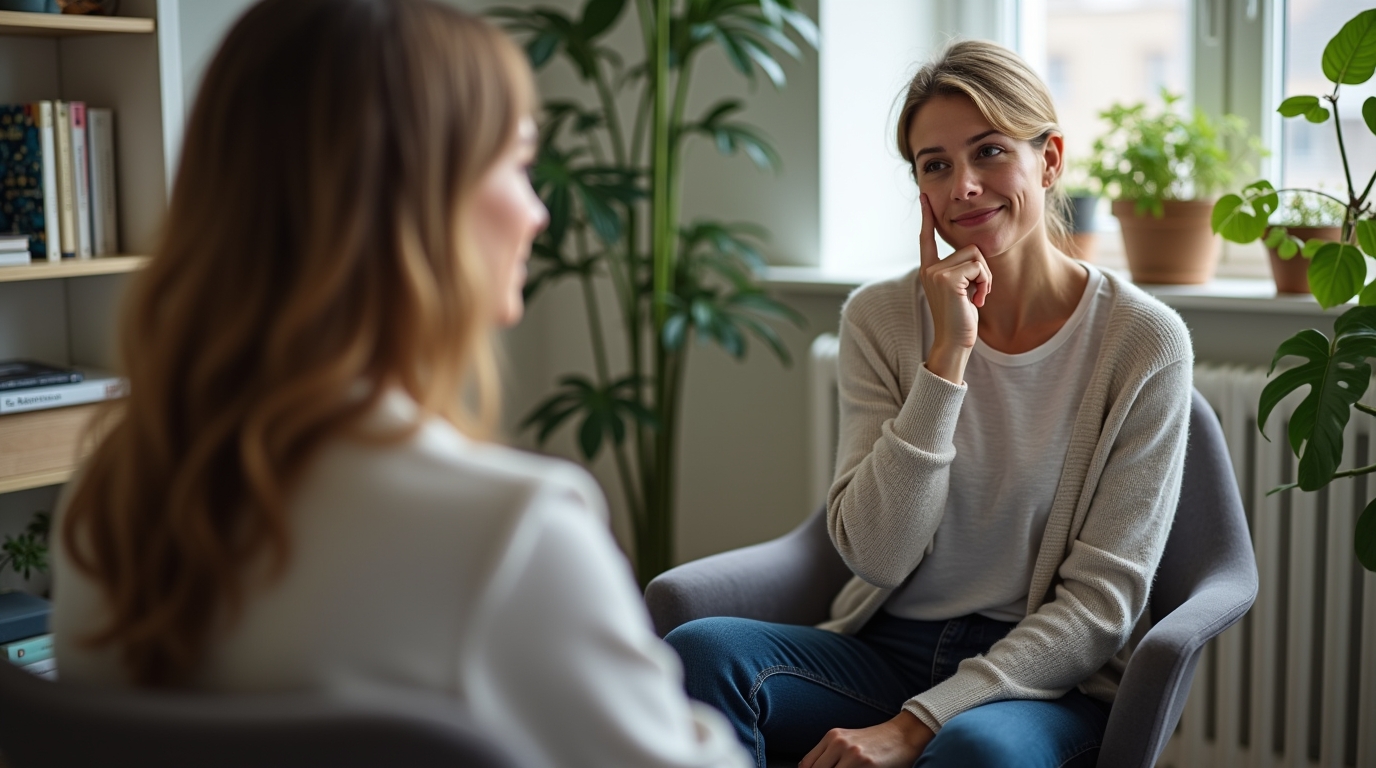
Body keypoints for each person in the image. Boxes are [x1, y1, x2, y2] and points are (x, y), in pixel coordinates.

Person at [51, 2, 750, 767]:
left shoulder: (106, 504)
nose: (539, 212)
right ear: (413, 199)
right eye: (518, 164)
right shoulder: (513, 534)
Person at [666, 40, 1193, 768]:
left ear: (1050, 159)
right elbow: (877, 556)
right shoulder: (879, 319)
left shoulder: (1143, 340)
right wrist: (947, 358)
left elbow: (1102, 605)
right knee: (701, 653)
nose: (965, 186)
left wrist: (917, 725)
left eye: (990, 152)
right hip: (888, 648)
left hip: (1040, 680)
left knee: (974, 750)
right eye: (935, 164)